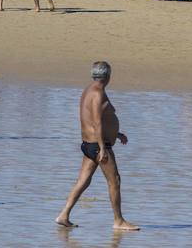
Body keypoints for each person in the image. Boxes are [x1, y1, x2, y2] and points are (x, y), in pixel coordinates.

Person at [56, 61, 139, 231]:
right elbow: (96, 121)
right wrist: (102, 147)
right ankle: (119, 221)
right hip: (97, 146)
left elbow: (96, 119)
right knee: (114, 180)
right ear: (108, 76)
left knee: (83, 181)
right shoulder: (97, 93)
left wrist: (116, 133)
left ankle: (64, 215)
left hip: (90, 144)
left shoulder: (89, 90)